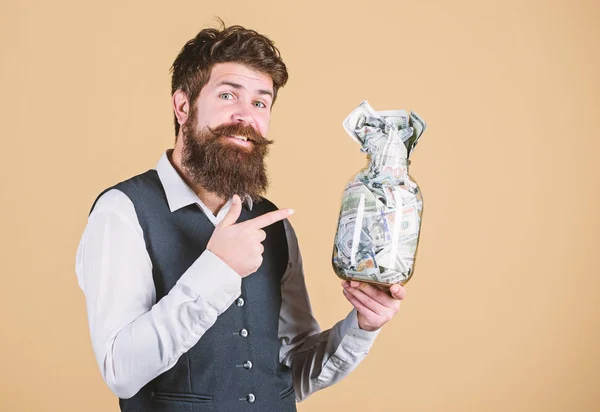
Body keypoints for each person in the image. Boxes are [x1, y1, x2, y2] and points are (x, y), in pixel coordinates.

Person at [75, 22, 406, 412]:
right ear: (183, 106)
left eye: (260, 103)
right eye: (228, 95)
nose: (245, 117)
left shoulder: (273, 223)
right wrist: (216, 268)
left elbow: (291, 372)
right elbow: (121, 371)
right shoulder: (123, 211)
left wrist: (363, 326)